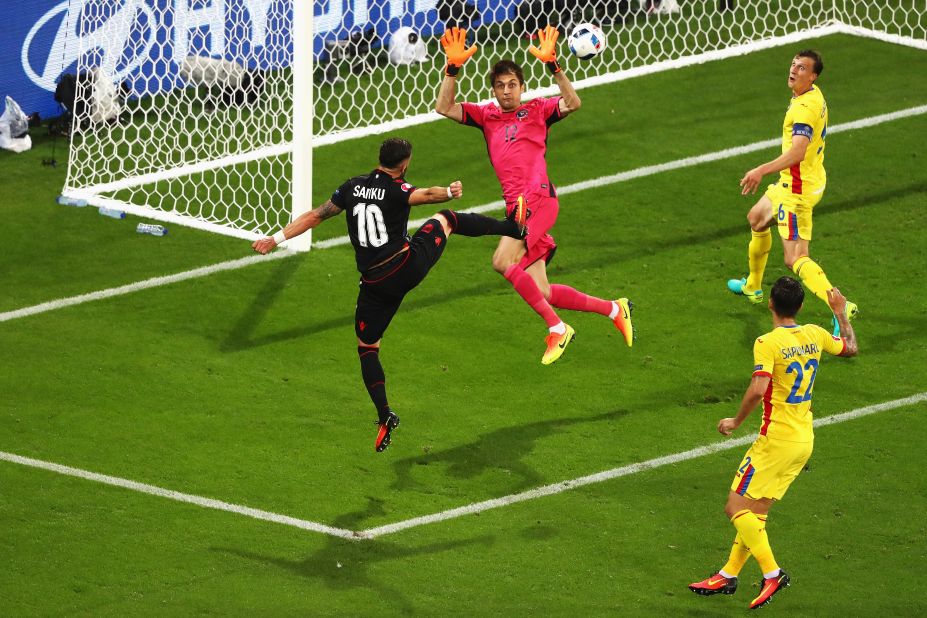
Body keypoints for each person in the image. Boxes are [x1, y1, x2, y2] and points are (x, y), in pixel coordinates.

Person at [252, 137, 525, 452]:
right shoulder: (399, 190)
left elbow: (316, 215)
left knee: (367, 348)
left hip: (374, 284)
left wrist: (275, 238)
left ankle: (385, 415)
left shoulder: (352, 188)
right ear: (405, 164)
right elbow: (425, 195)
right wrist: (449, 191)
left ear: (379, 158)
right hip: (405, 266)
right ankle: (512, 228)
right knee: (448, 219)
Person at [434, 26, 633, 366]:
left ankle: (558, 327)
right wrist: (452, 70)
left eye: (513, 85)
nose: (507, 91)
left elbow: (573, 102)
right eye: (500, 85)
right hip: (517, 208)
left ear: (522, 87)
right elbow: (443, 106)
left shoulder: (538, 110)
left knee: (501, 261)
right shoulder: (487, 116)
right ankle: (614, 308)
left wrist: (554, 66)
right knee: (540, 290)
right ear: (493, 90)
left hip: (537, 200)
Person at [689, 276, 858, 610]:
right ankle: (728, 574)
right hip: (803, 440)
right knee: (757, 512)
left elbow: (757, 388)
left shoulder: (767, 342)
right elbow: (850, 347)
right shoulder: (815, 333)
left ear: (770, 304)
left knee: (735, 507)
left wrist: (735, 422)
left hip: (775, 442)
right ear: (801, 306)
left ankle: (772, 573)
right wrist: (840, 313)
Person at [728, 50, 858, 335]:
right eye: (793, 65)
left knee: (795, 258)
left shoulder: (803, 109)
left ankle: (840, 305)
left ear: (813, 76)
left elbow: (798, 152)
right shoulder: (813, 95)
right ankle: (752, 286)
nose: (794, 70)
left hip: (797, 191)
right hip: (802, 180)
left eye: (802, 68)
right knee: (757, 218)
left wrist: (762, 169)